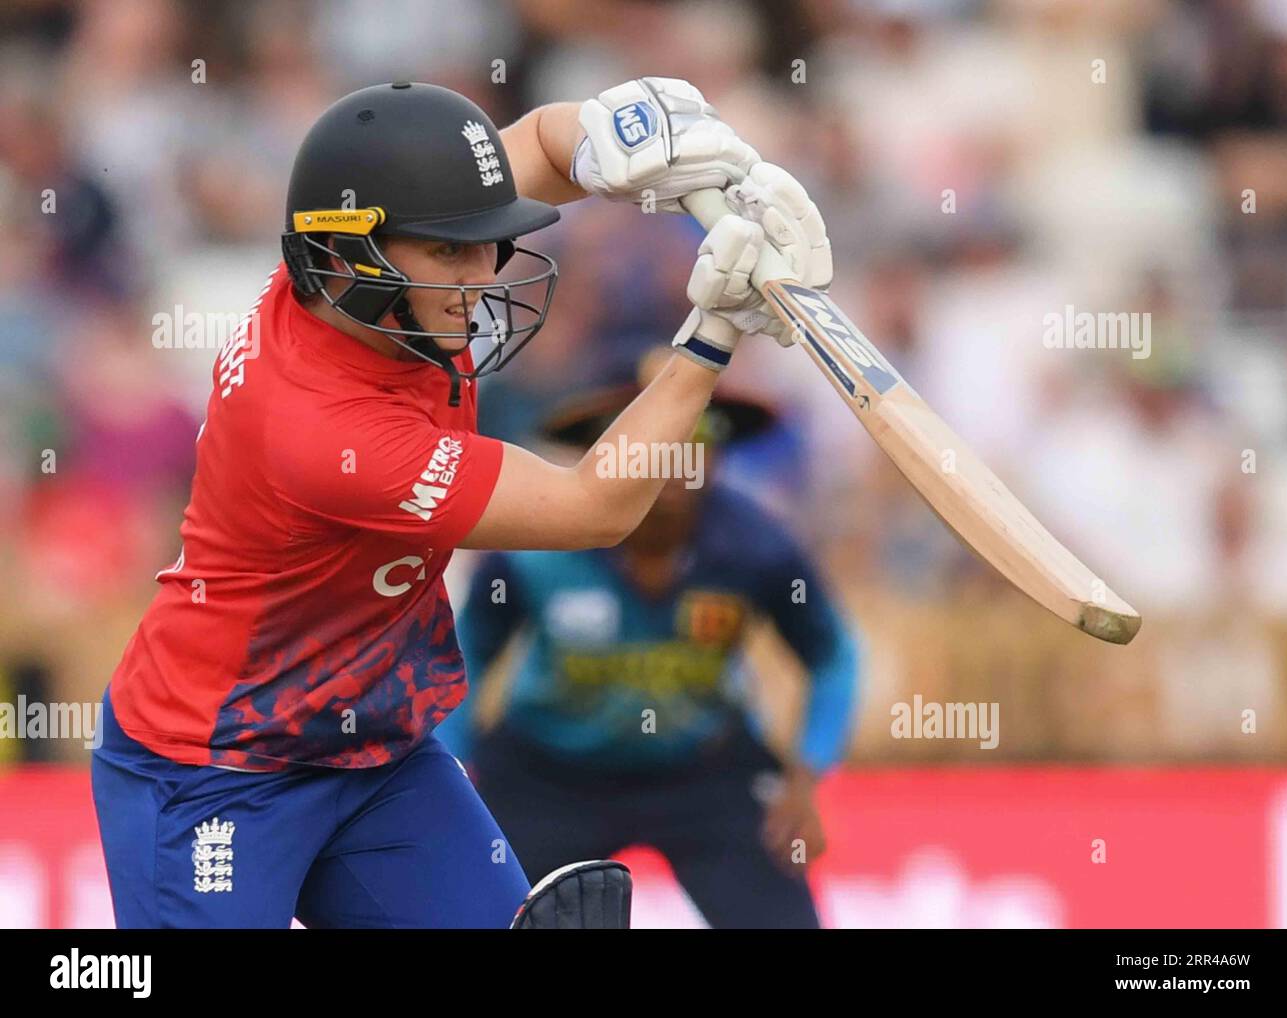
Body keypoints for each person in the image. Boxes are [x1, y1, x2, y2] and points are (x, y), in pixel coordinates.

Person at [89, 77, 833, 928]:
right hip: (212, 767)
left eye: (488, 246)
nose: (480, 278)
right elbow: (596, 508)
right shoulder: (325, 434)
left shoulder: (361, 279)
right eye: (452, 252)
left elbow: (543, 148)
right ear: (348, 256)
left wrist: (621, 139)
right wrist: (712, 335)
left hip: (377, 755)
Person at [438, 372, 861, 928]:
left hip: (705, 772)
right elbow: (463, 649)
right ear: (606, 451)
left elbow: (832, 657)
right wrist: (454, 771)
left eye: (695, 438)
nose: (673, 460)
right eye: (652, 440)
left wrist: (806, 779)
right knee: (474, 917)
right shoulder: (534, 545)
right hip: (547, 775)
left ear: (718, 454)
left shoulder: (760, 549)